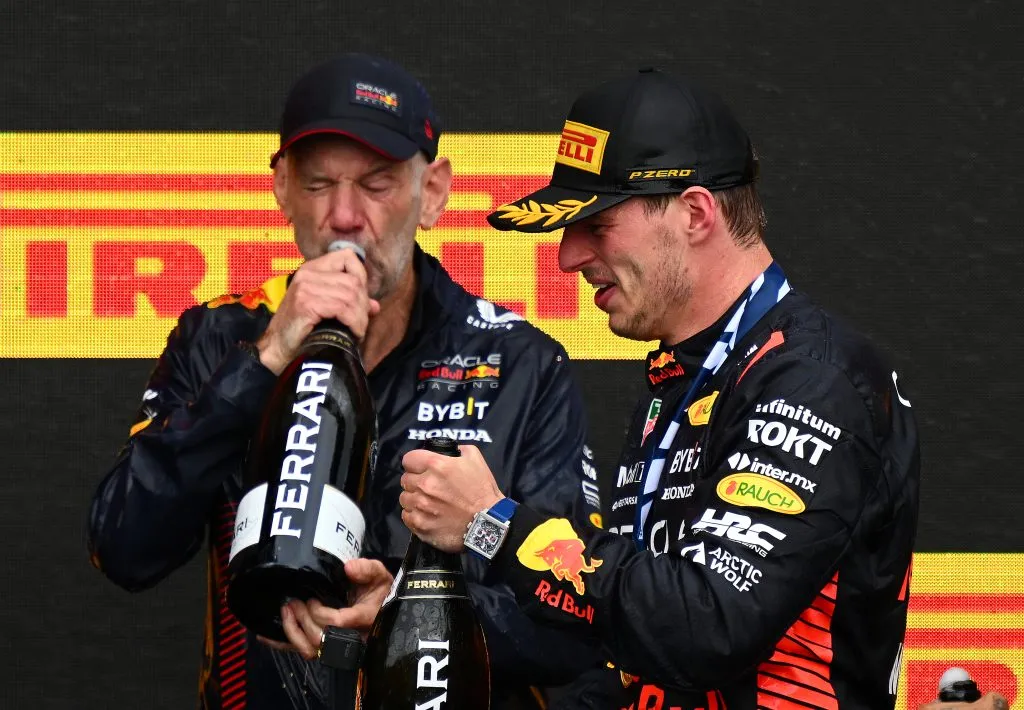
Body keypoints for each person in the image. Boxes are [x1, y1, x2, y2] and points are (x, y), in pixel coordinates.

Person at [87, 53, 602, 710]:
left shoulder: (519, 362)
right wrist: (266, 361)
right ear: (281, 187)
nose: (345, 216)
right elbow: (124, 547)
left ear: (432, 192)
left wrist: (409, 611)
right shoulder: (220, 340)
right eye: (319, 183)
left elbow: (577, 622)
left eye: (377, 184)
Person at [397, 68, 921, 709]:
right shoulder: (684, 380)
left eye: (597, 224)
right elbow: (625, 634)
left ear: (695, 213)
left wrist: (494, 524)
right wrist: (409, 604)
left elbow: (707, 625)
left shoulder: (813, 379)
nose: (567, 257)